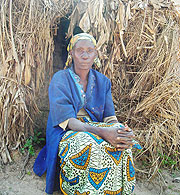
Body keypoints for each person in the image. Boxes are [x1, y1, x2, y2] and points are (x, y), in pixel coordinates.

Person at [33, 33, 141, 195]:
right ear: (71, 54)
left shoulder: (103, 81)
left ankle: (114, 191)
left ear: (95, 54)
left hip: (97, 128)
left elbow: (110, 118)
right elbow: (68, 122)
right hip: (67, 131)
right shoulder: (60, 79)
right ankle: (82, 190)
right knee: (87, 144)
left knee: (122, 145)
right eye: (80, 50)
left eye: (89, 51)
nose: (85, 55)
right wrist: (103, 132)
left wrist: (121, 131)